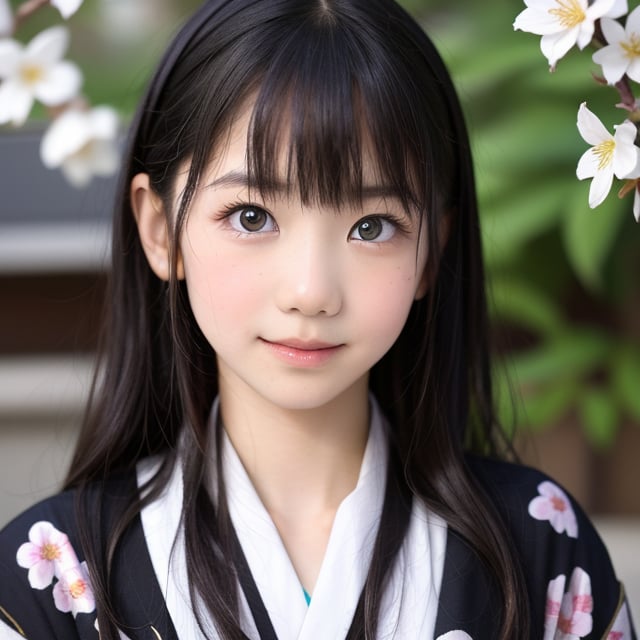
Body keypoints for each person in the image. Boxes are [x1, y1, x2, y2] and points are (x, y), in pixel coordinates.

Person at [0, 0, 636, 638]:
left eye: (372, 226)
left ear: (430, 252)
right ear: (161, 229)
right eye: (252, 217)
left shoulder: (541, 547)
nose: (311, 292)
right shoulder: (54, 577)